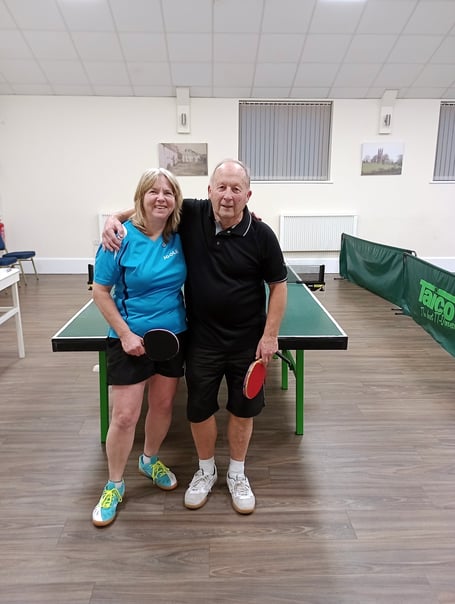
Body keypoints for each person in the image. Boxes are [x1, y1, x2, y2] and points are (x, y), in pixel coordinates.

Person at [103, 159, 287, 515]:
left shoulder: (262, 235)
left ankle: (237, 473)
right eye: (222, 187)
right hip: (202, 338)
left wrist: (270, 335)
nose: (228, 196)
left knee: (243, 409)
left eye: (236, 189)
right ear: (209, 191)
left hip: (247, 340)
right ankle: (205, 470)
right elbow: (152, 205)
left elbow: (278, 286)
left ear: (248, 195)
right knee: (199, 408)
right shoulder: (192, 214)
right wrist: (115, 217)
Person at [92, 167, 187, 527]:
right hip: (129, 337)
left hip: (173, 335)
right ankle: (114, 484)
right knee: (124, 416)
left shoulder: (181, 232)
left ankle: (149, 459)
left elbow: (222, 208)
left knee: (162, 406)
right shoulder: (119, 238)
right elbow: (100, 292)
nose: (161, 198)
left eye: (168, 192)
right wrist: (126, 335)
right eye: (153, 191)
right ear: (141, 196)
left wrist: (253, 217)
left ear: (175, 199)